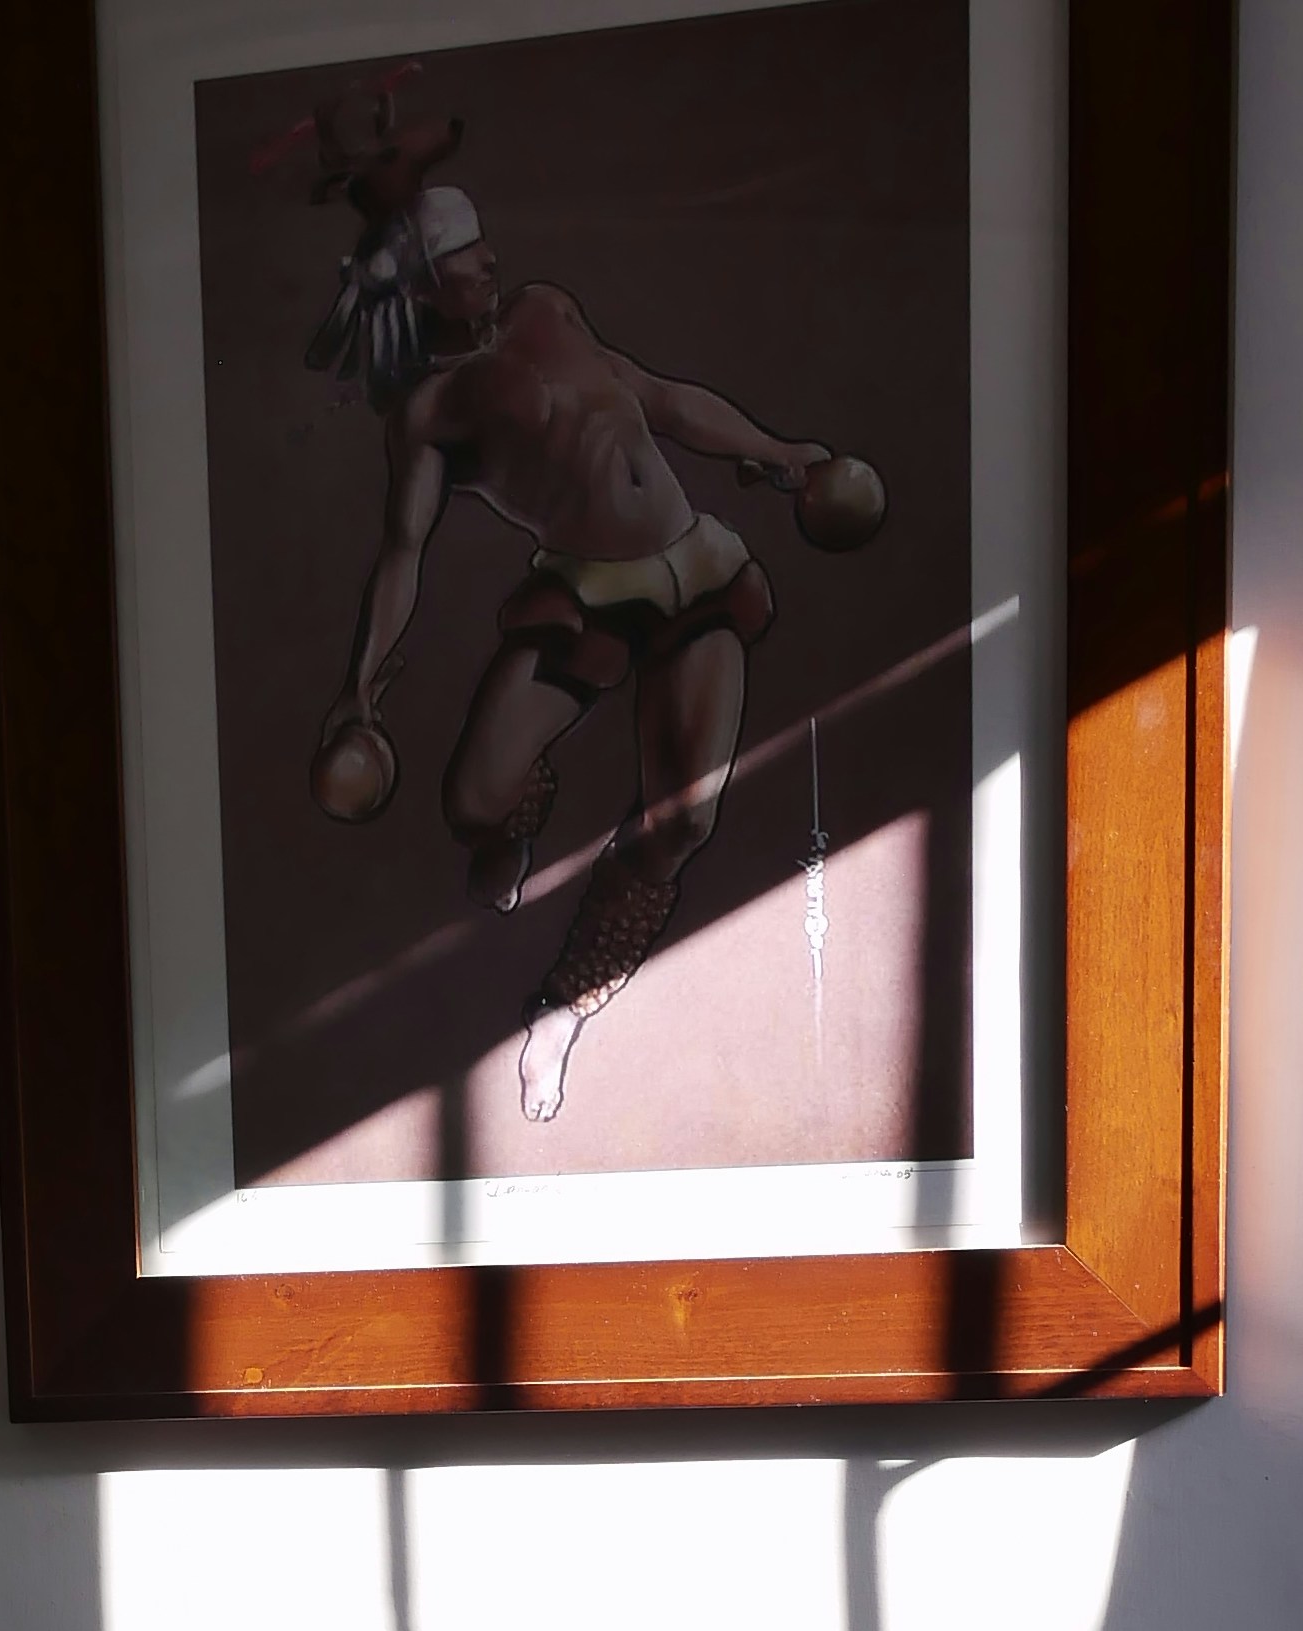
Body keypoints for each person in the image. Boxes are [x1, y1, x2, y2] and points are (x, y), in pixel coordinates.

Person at [287, 83, 879, 1124]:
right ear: (423, 283)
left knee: (681, 820)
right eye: (464, 254)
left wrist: (780, 452)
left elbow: (660, 398)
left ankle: (563, 1007)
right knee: (473, 803)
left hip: (694, 569)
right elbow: (402, 552)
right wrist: (359, 689)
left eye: (482, 244)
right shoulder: (429, 411)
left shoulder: (546, 308)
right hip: (587, 593)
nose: (488, 260)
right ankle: (511, 827)